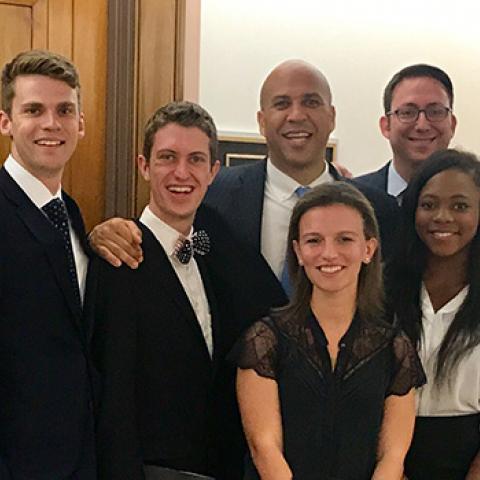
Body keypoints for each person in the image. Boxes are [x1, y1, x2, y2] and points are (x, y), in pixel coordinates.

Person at [91, 101, 283, 480]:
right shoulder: (116, 258)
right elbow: (111, 393)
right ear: (144, 166)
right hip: (151, 470)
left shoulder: (215, 244)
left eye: (196, 159)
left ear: (213, 172)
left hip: (223, 466)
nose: (182, 173)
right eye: (167, 157)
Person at [89, 59, 399, 287]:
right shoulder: (212, 194)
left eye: (311, 102)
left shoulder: (379, 210)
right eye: (282, 104)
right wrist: (103, 235)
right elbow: (163, 238)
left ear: (331, 117)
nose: (296, 115)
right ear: (262, 121)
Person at [229, 182, 425, 480]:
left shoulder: (394, 348)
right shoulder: (264, 340)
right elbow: (264, 447)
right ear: (298, 250)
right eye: (314, 241)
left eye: (345, 239)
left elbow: (393, 456)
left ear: (368, 249)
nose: (329, 253)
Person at [0, 50, 95, 478]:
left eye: (64, 111)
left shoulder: (71, 213)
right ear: (6, 122)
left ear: (81, 124)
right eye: (33, 110)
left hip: (78, 457)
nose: (51, 124)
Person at [390, 149, 480, 479]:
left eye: (460, 206)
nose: (442, 217)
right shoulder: (383, 289)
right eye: (428, 205)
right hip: (387, 459)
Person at [356, 64, 457, 203]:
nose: (422, 125)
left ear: (452, 124)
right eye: (408, 113)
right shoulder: (353, 198)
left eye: (435, 112)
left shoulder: (475, 195)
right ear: (386, 126)